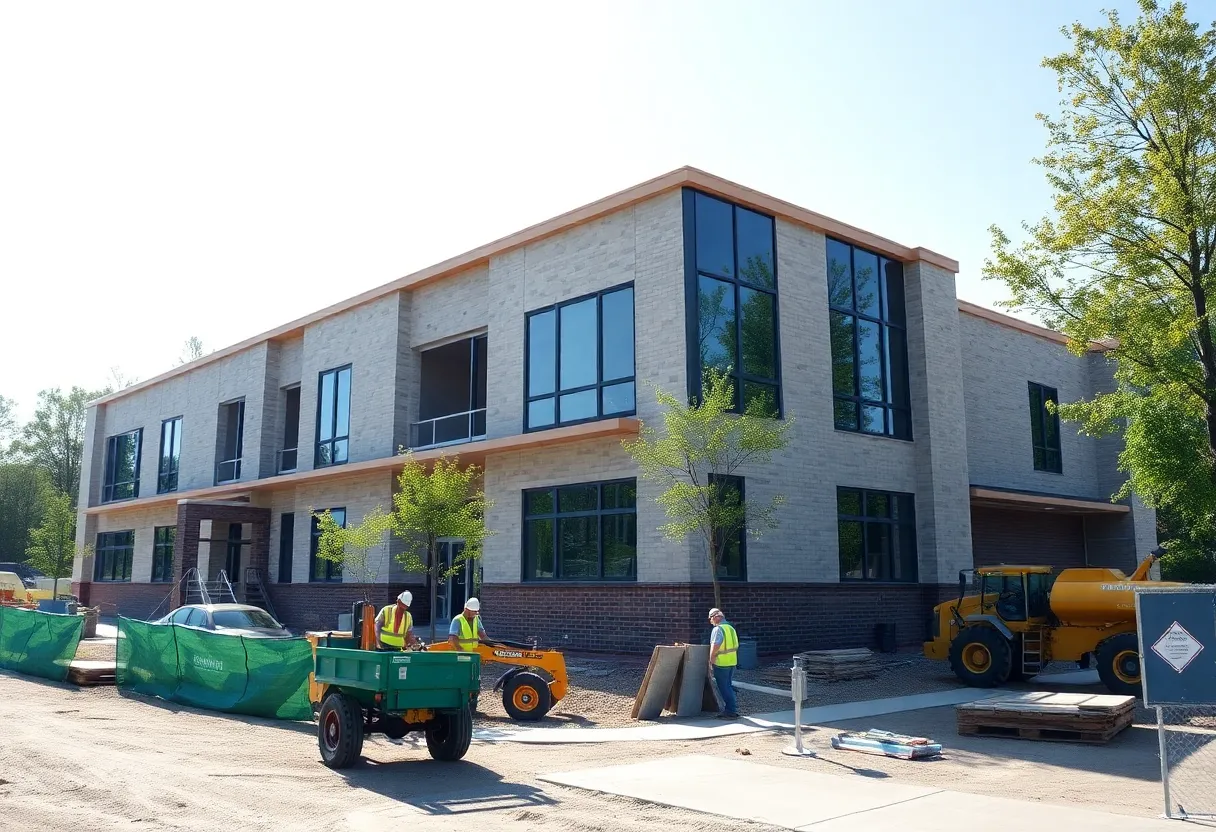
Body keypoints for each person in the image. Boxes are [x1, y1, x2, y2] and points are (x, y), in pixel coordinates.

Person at [707, 607, 739, 719]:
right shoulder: (730, 628)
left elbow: (715, 646)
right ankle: (732, 708)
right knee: (728, 686)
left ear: (716, 617)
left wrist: (711, 661)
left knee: (724, 687)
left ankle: (730, 710)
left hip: (721, 663)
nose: (710, 621)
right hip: (732, 662)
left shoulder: (718, 629)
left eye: (711, 618)